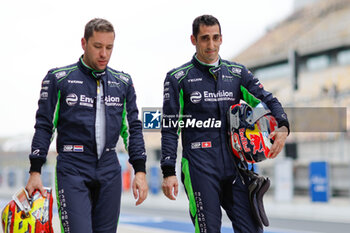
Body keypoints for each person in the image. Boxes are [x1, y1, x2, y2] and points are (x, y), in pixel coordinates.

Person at [161, 15, 289, 233]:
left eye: (215, 38)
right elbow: (169, 128)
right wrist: (168, 171)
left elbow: (268, 100)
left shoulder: (237, 73)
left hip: (235, 167)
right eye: (204, 38)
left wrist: (283, 126)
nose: (211, 45)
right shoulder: (177, 78)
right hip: (199, 167)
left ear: (221, 38)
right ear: (193, 40)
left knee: (253, 229)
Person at [25, 18, 148, 233]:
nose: (104, 54)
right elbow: (44, 126)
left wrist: (140, 170)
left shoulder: (123, 82)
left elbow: (133, 128)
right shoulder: (58, 79)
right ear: (84, 43)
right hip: (72, 167)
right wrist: (35, 170)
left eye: (109, 48)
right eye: (98, 46)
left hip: (109, 168)